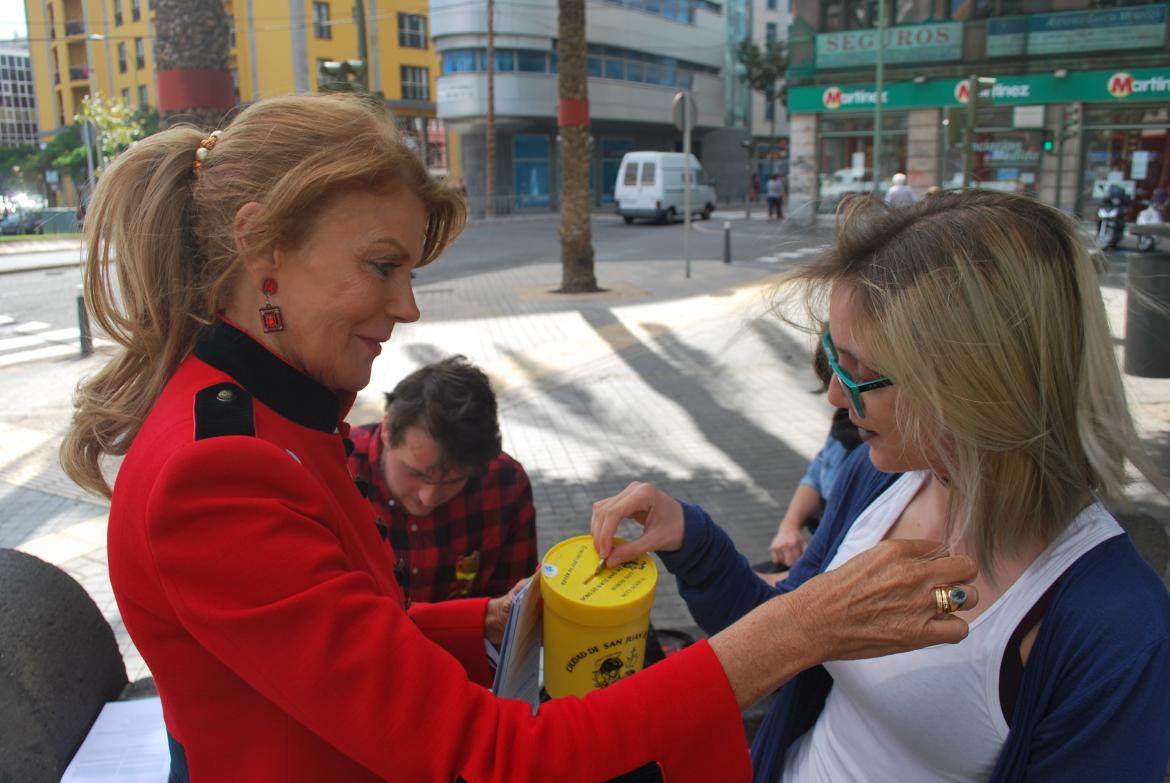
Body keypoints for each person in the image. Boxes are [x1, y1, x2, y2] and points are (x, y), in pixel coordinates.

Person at [61, 94, 979, 782]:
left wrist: (487, 622)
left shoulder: (263, 417)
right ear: (260, 244)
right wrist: (792, 627)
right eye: (381, 266)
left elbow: (328, 639)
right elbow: (488, 756)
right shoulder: (220, 470)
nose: (407, 306)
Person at [592, 190, 1170, 782]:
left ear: (979, 386)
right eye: (831, 358)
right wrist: (692, 539)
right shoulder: (875, 478)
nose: (837, 396)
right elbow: (787, 633)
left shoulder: (1114, 629)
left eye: (861, 373)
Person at [347, 355, 537, 603]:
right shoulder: (338, 468)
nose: (428, 498)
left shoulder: (505, 484)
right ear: (387, 430)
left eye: (453, 481)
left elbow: (514, 608)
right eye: (416, 473)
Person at [762, 347, 860, 579]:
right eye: (832, 376)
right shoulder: (847, 422)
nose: (834, 396)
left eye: (859, 378)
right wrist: (789, 526)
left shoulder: (878, 457)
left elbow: (839, 573)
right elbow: (817, 473)